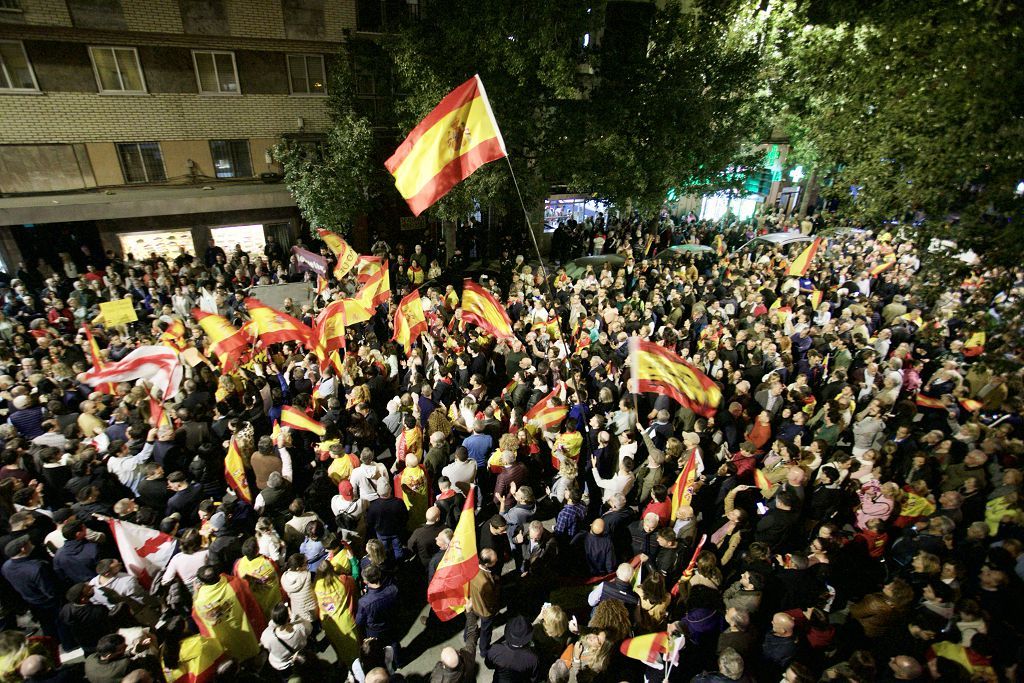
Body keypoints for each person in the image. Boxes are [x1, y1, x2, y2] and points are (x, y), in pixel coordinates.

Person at [190, 565, 267, 662]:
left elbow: (196, 616)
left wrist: (196, 594)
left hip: (225, 642)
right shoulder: (235, 585)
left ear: (202, 582)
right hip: (245, 633)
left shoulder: (199, 602)